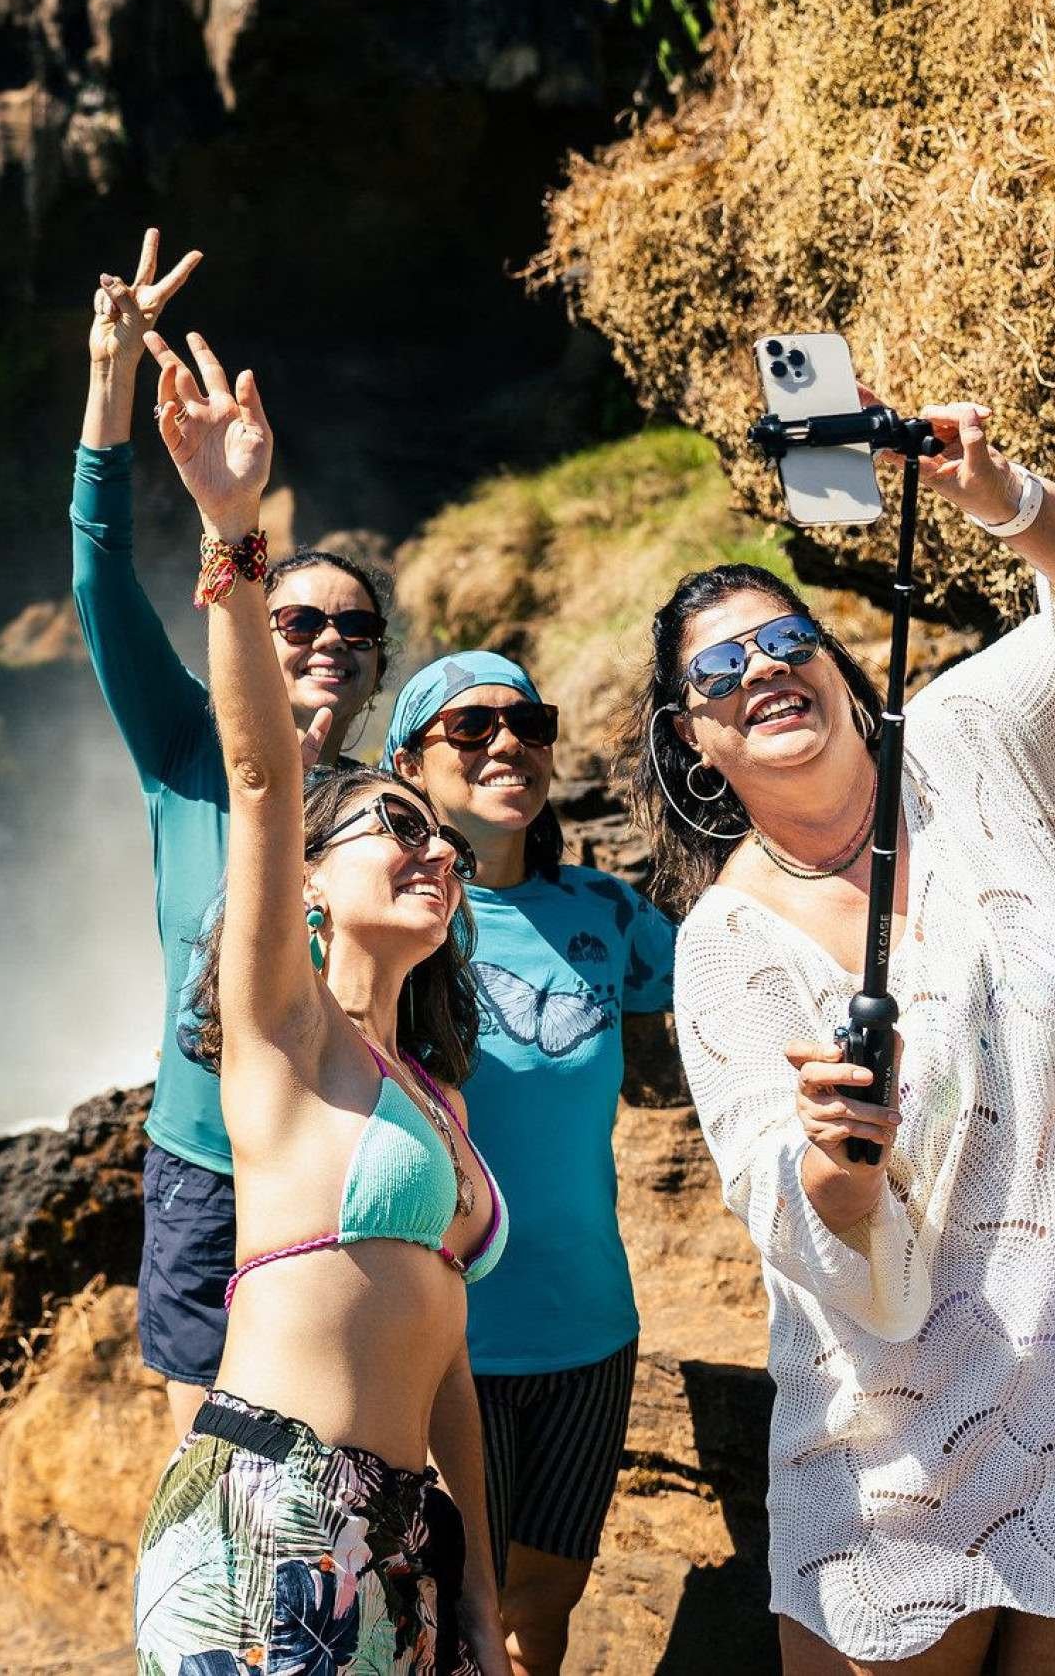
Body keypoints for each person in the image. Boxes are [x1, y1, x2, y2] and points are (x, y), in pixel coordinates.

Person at [624, 403, 1055, 1673]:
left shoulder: (971, 743)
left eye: (784, 642)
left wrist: (1006, 498)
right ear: (693, 742)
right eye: (716, 674)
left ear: (836, 661)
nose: (759, 671)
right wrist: (839, 1156)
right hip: (898, 1445)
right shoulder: (724, 945)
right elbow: (789, 1200)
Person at [130, 329, 509, 1676]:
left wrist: (476, 1582)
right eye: (392, 827)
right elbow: (252, 775)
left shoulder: (430, 1090)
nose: (434, 850)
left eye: (440, 838)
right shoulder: (283, 1040)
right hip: (272, 1511)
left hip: (405, 1535)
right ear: (302, 884)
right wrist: (229, 536)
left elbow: (447, 1355)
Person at [72, 230, 394, 1438]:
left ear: (374, 668)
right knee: (209, 1452)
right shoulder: (185, 755)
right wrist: (108, 379)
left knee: (340, 1442)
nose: (319, 640)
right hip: (207, 1165)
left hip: (346, 1162)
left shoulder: (386, 809)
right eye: (294, 616)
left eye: (349, 631)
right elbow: (101, 578)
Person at [383, 652, 672, 1676]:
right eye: (468, 728)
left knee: (542, 1612)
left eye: (527, 722)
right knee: (458, 1617)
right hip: (450, 1344)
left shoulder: (607, 913)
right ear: (407, 765)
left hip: (590, 1327)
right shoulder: (399, 923)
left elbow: (737, 972)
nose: (506, 742)